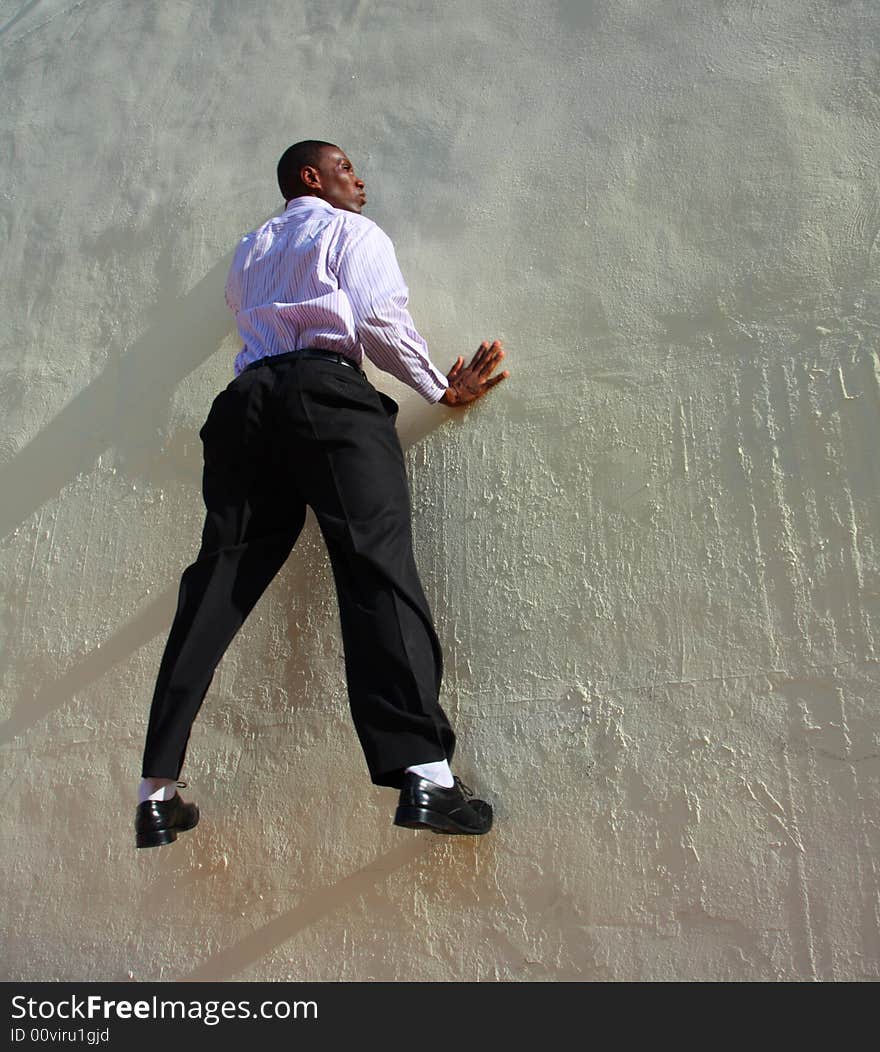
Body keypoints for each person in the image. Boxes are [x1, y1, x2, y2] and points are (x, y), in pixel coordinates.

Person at [134, 140, 508, 849]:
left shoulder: (249, 252)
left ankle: (156, 789)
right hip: (326, 395)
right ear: (312, 176)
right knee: (374, 563)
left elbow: (255, 317)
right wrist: (438, 387)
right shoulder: (349, 231)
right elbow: (374, 318)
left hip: (244, 408)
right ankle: (426, 776)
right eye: (346, 169)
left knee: (216, 582)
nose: (360, 180)